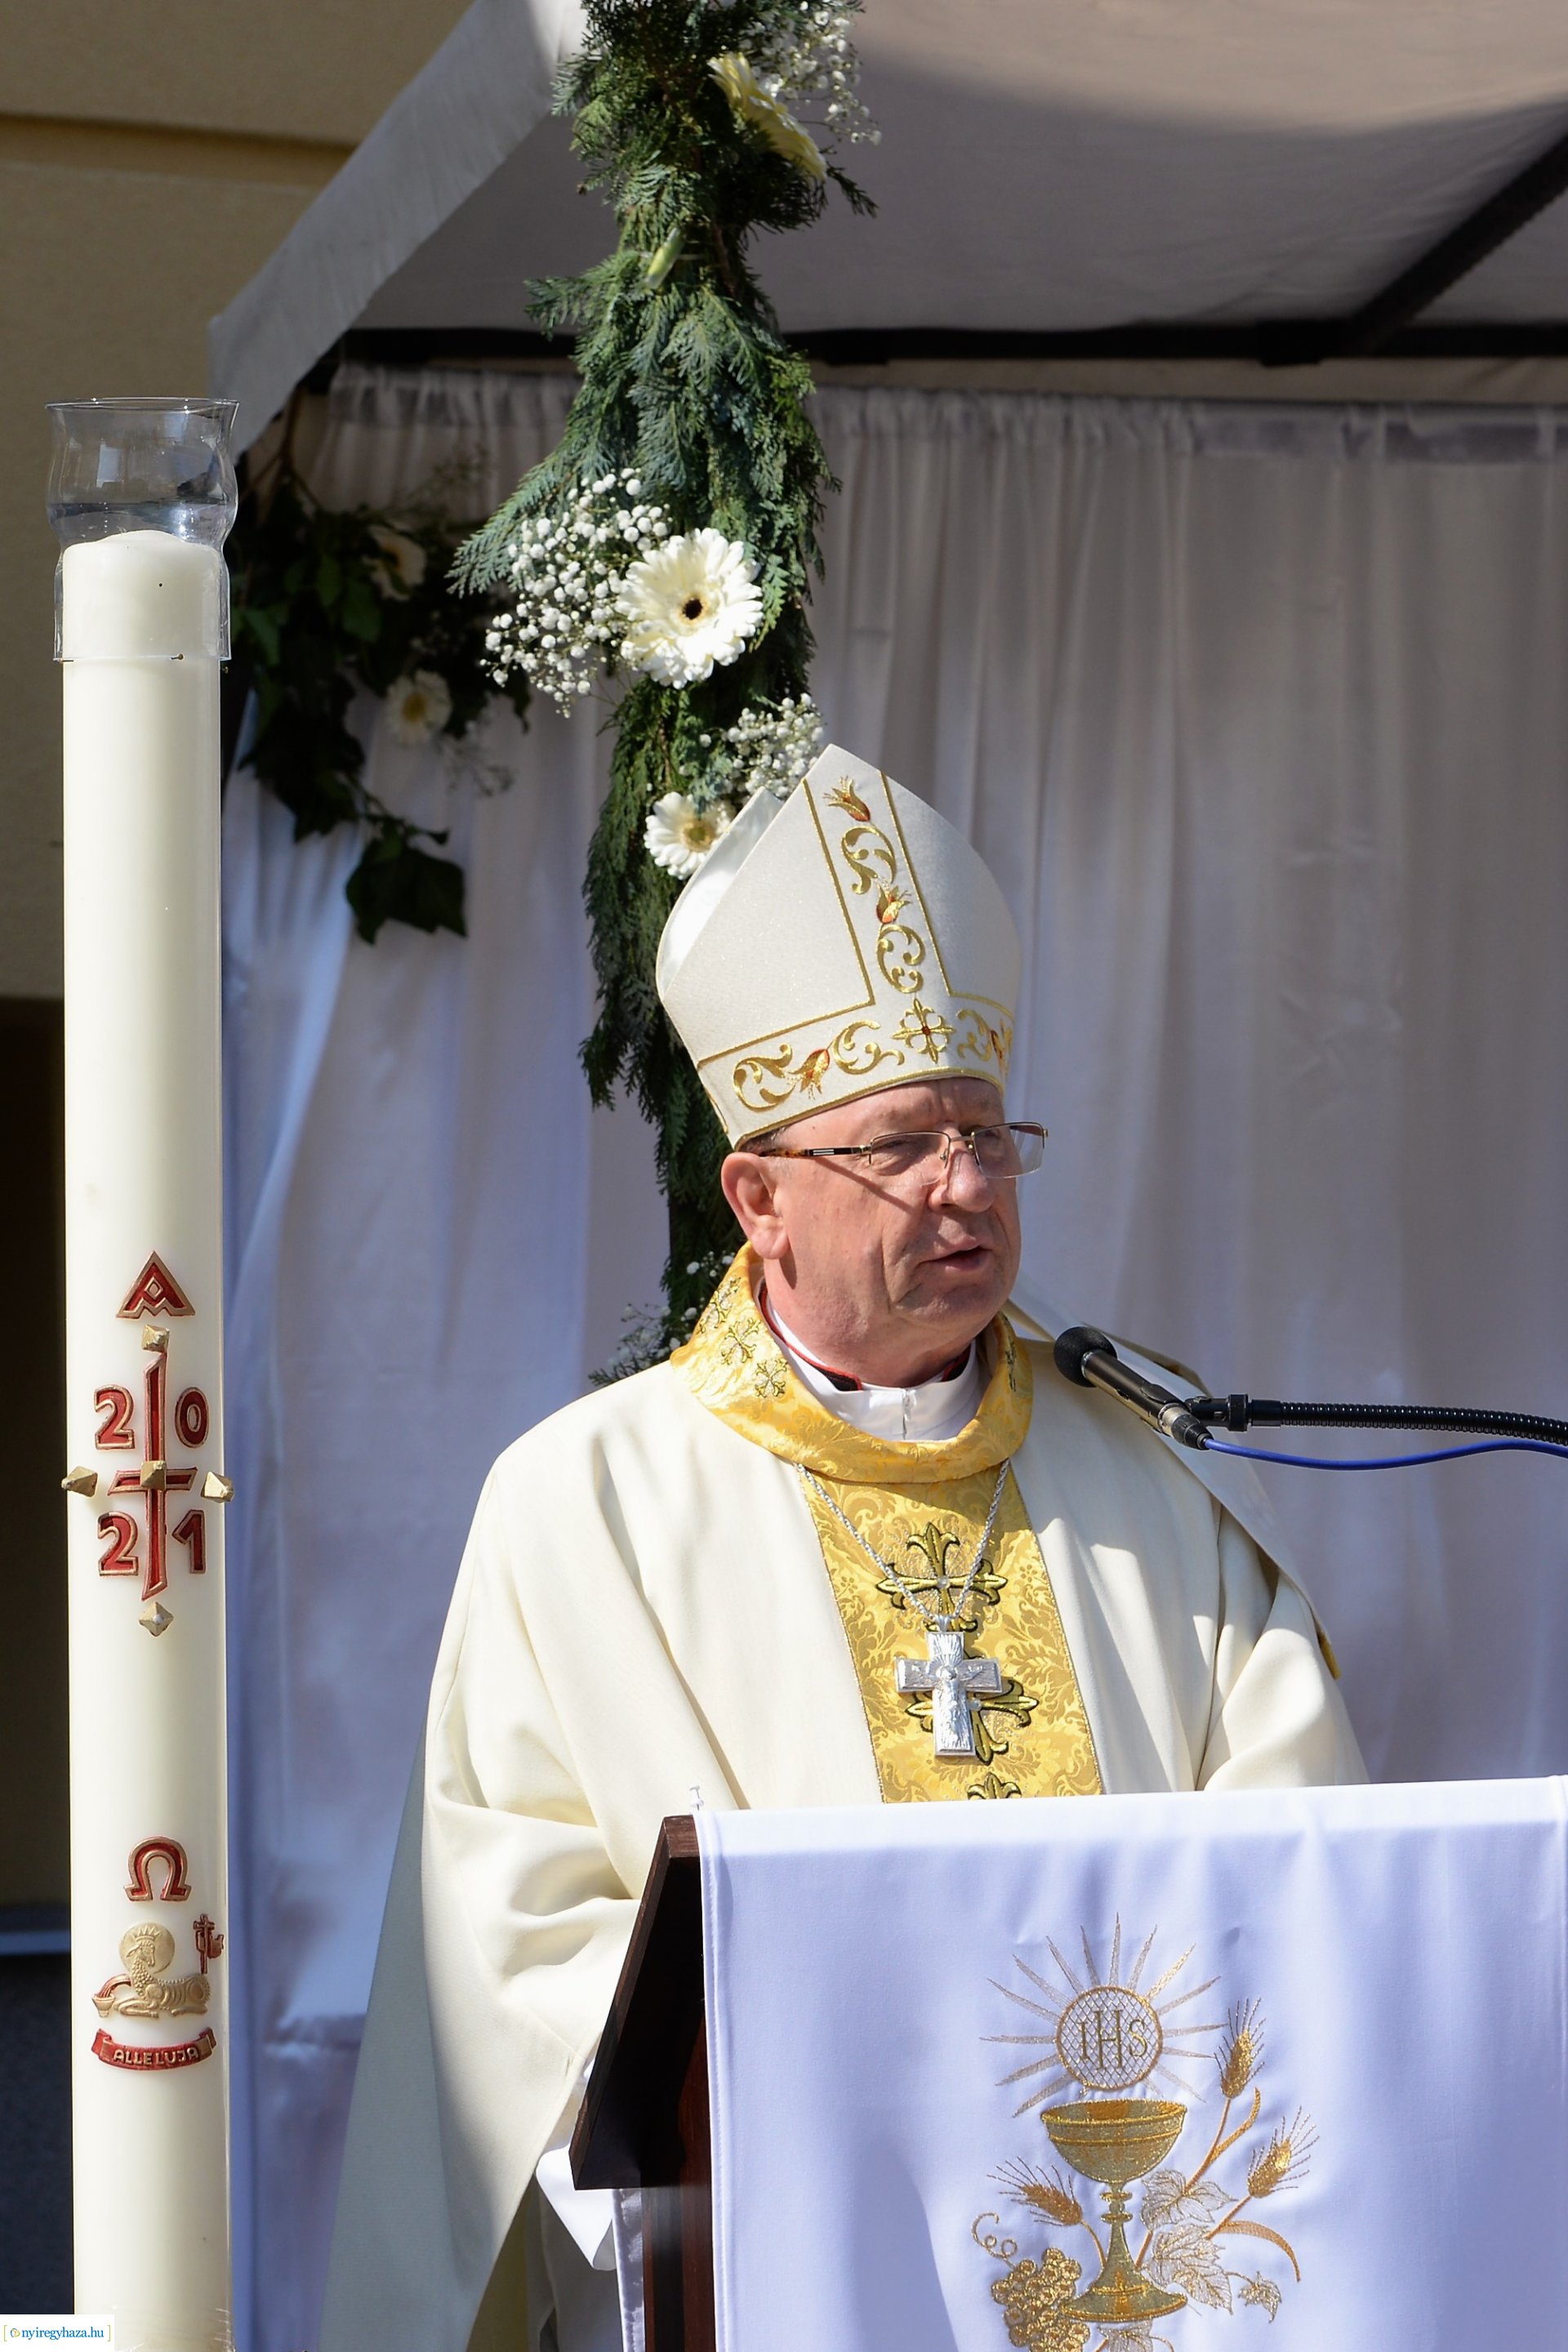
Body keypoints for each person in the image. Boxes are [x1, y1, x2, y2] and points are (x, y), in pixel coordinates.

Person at [319, 747, 1362, 2352]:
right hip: (788, 2260)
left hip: (1157, 2263)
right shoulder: (584, 1504)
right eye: (899, 1148)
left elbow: (1312, 1866)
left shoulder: (1161, 1484)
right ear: (759, 1198)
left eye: (990, 1138)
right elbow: (508, 1939)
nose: (965, 1189)